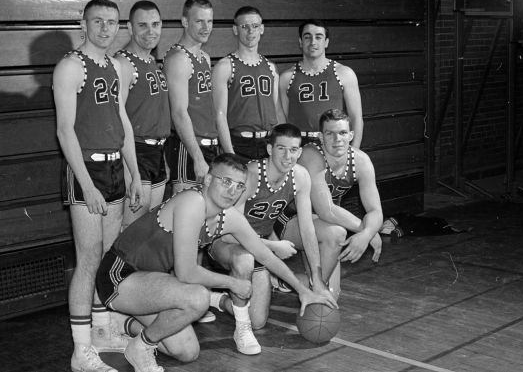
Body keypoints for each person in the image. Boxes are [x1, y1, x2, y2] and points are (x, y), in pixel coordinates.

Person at [95, 153, 335, 371]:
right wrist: (232, 283)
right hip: (119, 275)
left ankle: (123, 324)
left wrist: (303, 290)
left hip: (154, 284)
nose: (232, 190)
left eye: (239, 186)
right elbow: (187, 273)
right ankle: (140, 347)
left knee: (187, 352)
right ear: (208, 180)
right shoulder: (192, 203)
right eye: (226, 181)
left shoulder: (228, 217)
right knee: (197, 298)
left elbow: (265, 255)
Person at [53, 0, 143, 372]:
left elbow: (122, 121)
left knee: (107, 258)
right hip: (84, 170)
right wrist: (87, 185)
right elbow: (64, 130)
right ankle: (81, 350)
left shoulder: (116, 67)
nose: (106, 28)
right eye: (98, 21)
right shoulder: (71, 66)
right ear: (83, 23)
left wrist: (135, 172)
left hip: (113, 169)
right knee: (88, 259)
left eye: (112, 22)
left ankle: (104, 332)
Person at [208, 124, 338, 352]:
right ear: (269, 149)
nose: (288, 156)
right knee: (245, 259)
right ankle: (241, 330)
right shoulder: (250, 175)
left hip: (260, 246)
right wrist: (272, 245)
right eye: (281, 149)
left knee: (258, 320)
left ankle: (213, 299)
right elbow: (230, 231)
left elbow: (307, 230)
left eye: (294, 150)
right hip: (224, 242)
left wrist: (316, 278)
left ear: (300, 152)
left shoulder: (300, 176)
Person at [274, 108, 383, 299]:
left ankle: (288, 281)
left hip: (320, 225)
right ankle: (314, 289)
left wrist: (367, 233)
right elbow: (326, 210)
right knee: (336, 233)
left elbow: (375, 211)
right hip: (289, 220)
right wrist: (364, 229)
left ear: (351, 135)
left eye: (342, 133)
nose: (337, 139)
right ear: (320, 137)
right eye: (329, 133)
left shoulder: (361, 161)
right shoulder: (311, 155)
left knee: (333, 297)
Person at [115, 0, 170, 229]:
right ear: (130, 27)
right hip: (135, 151)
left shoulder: (150, 60)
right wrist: (132, 170)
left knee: (148, 228)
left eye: (155, 24)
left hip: (156, 152)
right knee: (132, 230)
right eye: (143, 25)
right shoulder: (123, 63)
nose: (151, 31)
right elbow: (117, 118)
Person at [212, 6, 285, 160]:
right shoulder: (225, 66)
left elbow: (277, 111)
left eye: (255, 26)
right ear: (235, 30)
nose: (250, 31)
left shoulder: (271, 68)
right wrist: (229, 152)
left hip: (269, 144)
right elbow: (219, 115)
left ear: (262, 29)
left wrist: (283, 145)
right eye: (244, 26)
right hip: (239, 144)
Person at [164, 0, 219, 194]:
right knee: (188, 216)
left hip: (209, 145)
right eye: (199, 21)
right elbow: (178, 112)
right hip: (188, 148)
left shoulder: (204, 57)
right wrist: (197, 157)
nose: (206, 27)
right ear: (185, 22)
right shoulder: (179, 58)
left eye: (210, 21)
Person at [279, 19, 364, 148]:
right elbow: (282, 121)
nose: (313, 42)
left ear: (326, 42)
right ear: (300, 42)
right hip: (299, 146)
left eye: (318, 37)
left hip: (333, 142)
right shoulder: (287, 77)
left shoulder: (344, 73)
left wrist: (354, 152)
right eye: (307, 37)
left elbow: (356, 118)